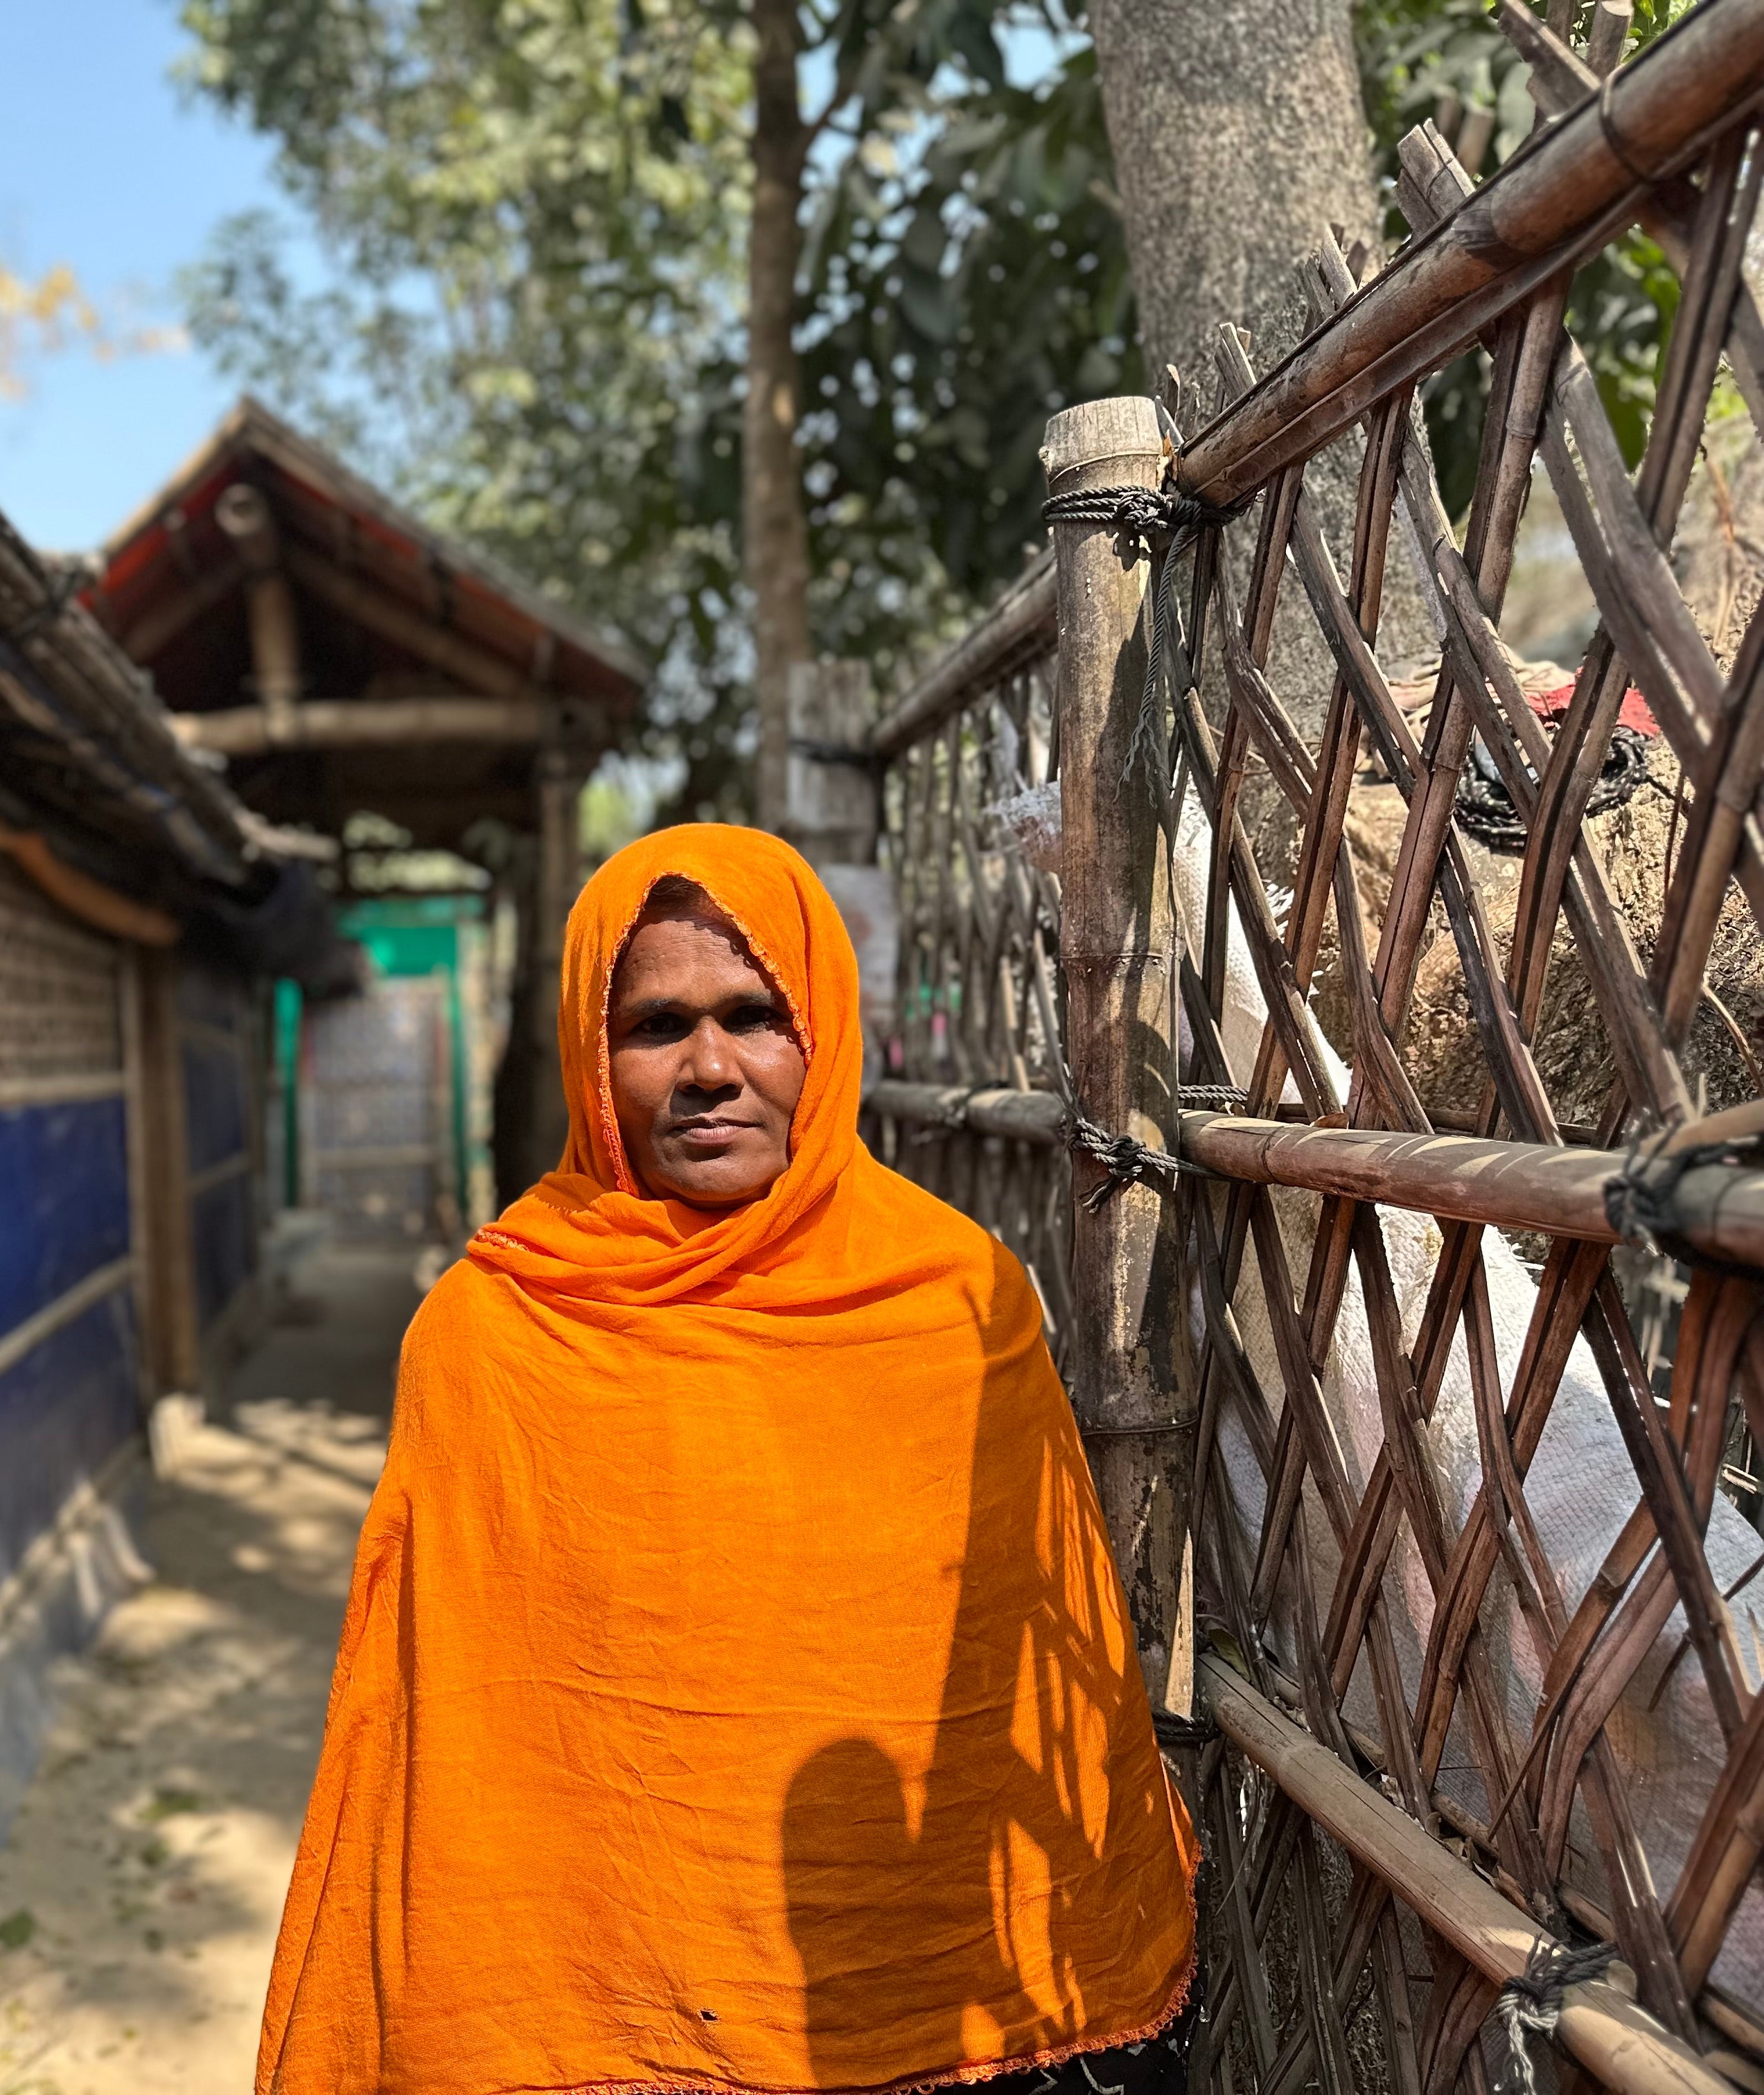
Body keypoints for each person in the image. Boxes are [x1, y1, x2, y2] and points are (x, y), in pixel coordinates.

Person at [257, 825, 1197, 2095]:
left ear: (821, 1030)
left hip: (927, 1984)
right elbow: (455, 1737)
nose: (709, 1068)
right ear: (594, 1061)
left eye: (754, 1016)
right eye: (655, 1028)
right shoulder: (491, 1335)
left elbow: (1040, 1687)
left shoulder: (953, 1300)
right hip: (601, 2004)